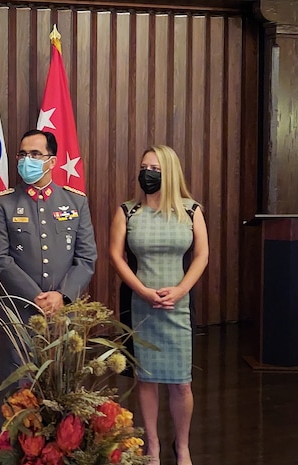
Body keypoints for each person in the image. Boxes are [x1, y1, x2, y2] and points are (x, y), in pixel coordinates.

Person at [0, 129, 97, 430]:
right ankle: (9, 450)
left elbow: (87, 259)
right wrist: (36, 296)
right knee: (16, 385)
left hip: (65, 312)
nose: (27, 160)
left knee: (64, 386)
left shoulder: (75, 202)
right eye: (23, 154)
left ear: (52, 161)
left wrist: (62, 296)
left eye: (35, 154)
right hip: (20, 312)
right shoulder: (3, 203)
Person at [109, 145, 208, 465]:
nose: (147, 173)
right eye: (144, 167)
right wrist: (142, 290)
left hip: (178, 306)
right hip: (141, 304)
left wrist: (181, 290)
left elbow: (202, 255)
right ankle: (152, 445)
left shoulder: (191, 209)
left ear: (170, 173)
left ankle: (183, 447)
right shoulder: (127, 211)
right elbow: (115, 255)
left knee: (182, 382)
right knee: (146, 378)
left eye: (155, 168)